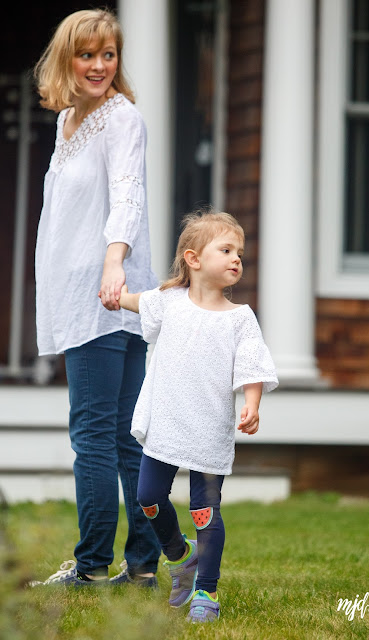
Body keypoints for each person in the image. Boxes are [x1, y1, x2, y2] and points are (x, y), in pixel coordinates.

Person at [32, 8, 161, 587]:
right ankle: (143, 566)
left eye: (108, 55)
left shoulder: (121, 119)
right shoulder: (66, 122)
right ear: (67, 58)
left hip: (106, 295)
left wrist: (115, 265)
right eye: (88, 55)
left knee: (96, 435)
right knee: (120, 437)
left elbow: (127, 196)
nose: (99, 66)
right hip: (80, 289)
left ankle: (91, 566)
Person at [118, 211, 278, 622]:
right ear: (193, 258)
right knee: (147, 497)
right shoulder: (169, 303)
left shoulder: (240, 318)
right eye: (225, 250)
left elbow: (253, 366)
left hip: (209, 427)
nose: (236, 259)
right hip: (166, 422)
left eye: (239, 252)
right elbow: (135, 301)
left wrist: (253, 404)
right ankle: (180, 555)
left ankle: (206, 591)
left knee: (204, 510)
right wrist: (113, 293)